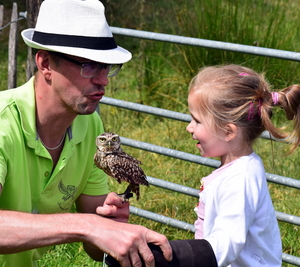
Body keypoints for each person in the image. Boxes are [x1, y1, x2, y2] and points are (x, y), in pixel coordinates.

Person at [0, 0, 173, 266]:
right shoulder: (3, 123)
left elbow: (95, 250)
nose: (103, 80)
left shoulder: (89, 126)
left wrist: (109, 225)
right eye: (89, 65)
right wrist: (87, 225)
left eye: (106, 67)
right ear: (45, 63)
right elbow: (87, 227)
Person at [107, 64, 300, 267]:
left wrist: (177, 258)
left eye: (197, 121)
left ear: (228, 132)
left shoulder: (240, 179)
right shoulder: (235, 168)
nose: (189, 127)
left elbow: (227, 244)